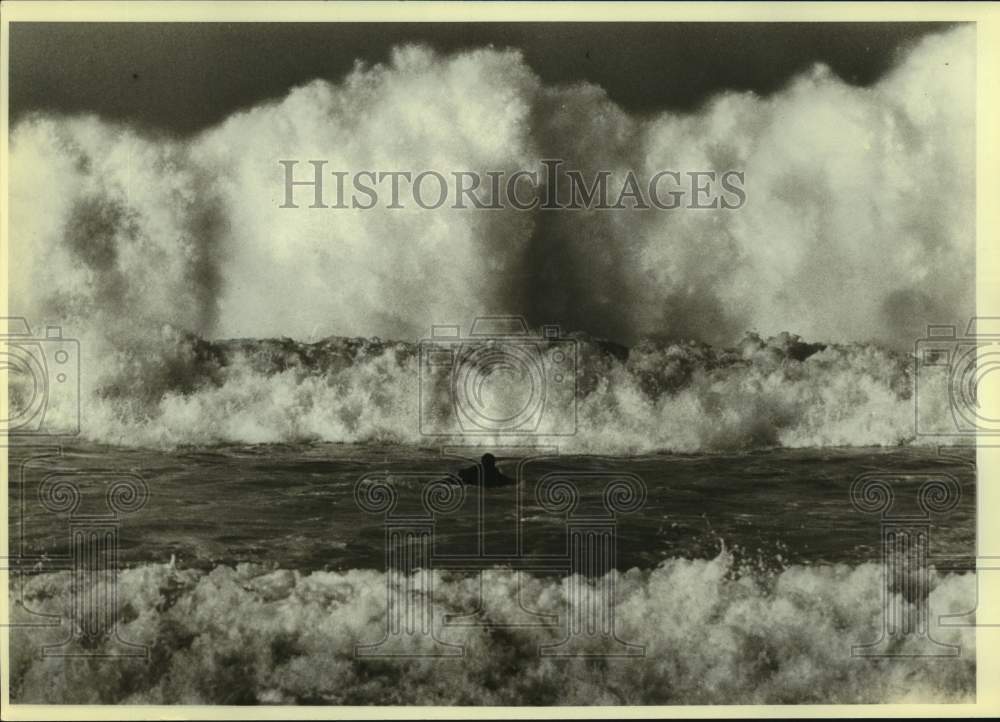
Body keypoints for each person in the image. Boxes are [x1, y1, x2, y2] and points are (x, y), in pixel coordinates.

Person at [451, 453, 516, 487]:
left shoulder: (477, 469)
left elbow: (461, 473)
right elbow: (506, 480)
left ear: (482, 461)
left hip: (474, 484)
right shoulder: (495, 473)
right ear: (493, 463)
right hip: (483, 485)